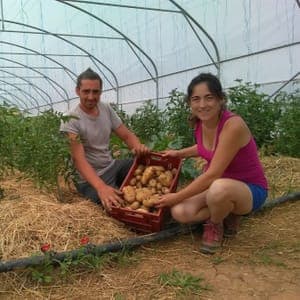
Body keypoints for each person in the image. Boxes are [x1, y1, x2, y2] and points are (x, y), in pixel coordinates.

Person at [155, 73, 268, 254]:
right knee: (180, 212)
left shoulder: (233, 125)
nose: (202, 105)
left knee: (218, 189)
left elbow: (213, 174)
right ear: (189, 103)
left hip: (248, 188)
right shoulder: (200, 124)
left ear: (220, 99)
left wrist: (176, 196)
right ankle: (225, 211)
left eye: (209, 98)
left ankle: (215, 224)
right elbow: (203, 147)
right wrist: (179, 153)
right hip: (217, 185)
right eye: (196, 99)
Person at [60, 68, 149, 211]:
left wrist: (138, 146)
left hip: (111, 166)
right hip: (90, 180)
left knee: (144, 170)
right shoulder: (70, 119)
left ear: (101, 92)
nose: (91, 96)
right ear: (77, 91)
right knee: (116, 205)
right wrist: (101, 187)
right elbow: (79, 160)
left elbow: (126, 135)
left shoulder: (106, 109)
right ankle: (110, 190)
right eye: (86, 91)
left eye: (95, 92)